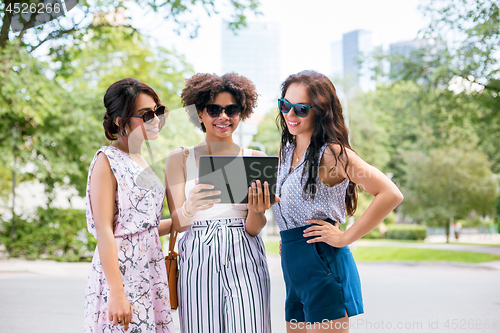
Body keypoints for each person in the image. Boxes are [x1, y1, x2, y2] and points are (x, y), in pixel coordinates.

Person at [273, 70, 404, 332]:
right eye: (285, 106)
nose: (290, 115)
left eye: (300, 109)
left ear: (320, 111)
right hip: (293, 263)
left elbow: (390, 193)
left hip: (322, 262)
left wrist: (345, 237)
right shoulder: (287, 151)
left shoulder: (333, 154)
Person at [165, 73, 277, 333]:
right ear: (199, 114)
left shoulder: (255, 158)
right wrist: (189, 206)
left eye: (232, 109)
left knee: (252, 327)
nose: (223, 116)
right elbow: (179, 224)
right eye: (213, 109)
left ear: (242, 113)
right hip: (198, 253)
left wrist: (258, 211)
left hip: (245, 252)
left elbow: (254, 228)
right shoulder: (179, 159)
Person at [84, 78, 175, 332]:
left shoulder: (139, 157)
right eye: (146, 115)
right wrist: (116, 293)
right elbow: (105, 230)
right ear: (119, 120)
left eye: (158, 111)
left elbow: (139, 228)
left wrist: (182, 220)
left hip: (149, 271)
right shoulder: (107, 160)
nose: (155, 120)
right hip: (121, 275)